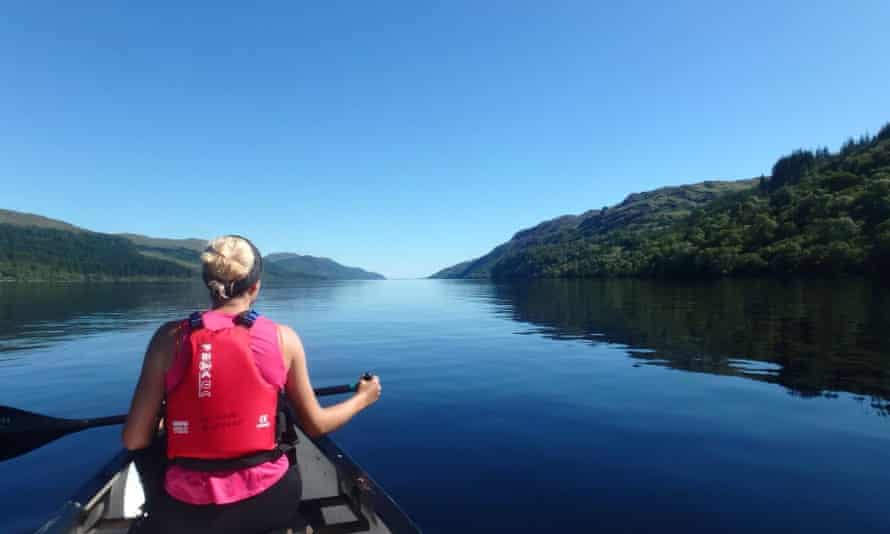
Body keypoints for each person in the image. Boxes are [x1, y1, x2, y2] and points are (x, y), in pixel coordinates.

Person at [122, 235, 381, 533]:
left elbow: (134, 440)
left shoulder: (169, 338)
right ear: (255, 286)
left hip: (186, 510)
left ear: (208, 283)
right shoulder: (284, 339)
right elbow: (315, 425)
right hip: (270, 501)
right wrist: (364, 398)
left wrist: (163, 424)